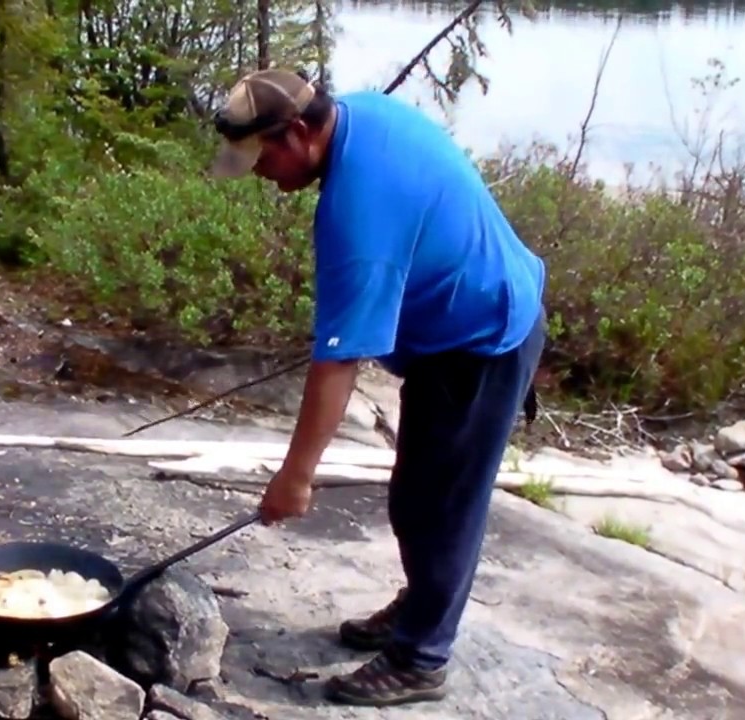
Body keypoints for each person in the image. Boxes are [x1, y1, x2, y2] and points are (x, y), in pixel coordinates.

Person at [209, 68, 547, 708]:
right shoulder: (358, 115)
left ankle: (421, 657)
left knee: (443, 506)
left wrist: (296, 476)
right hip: (449, 333)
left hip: (483, 339)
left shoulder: (356, 215)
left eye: (262, 156)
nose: (257, 172)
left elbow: (338, 363)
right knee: (416, 495)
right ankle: (422, 604)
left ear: (303, 131)